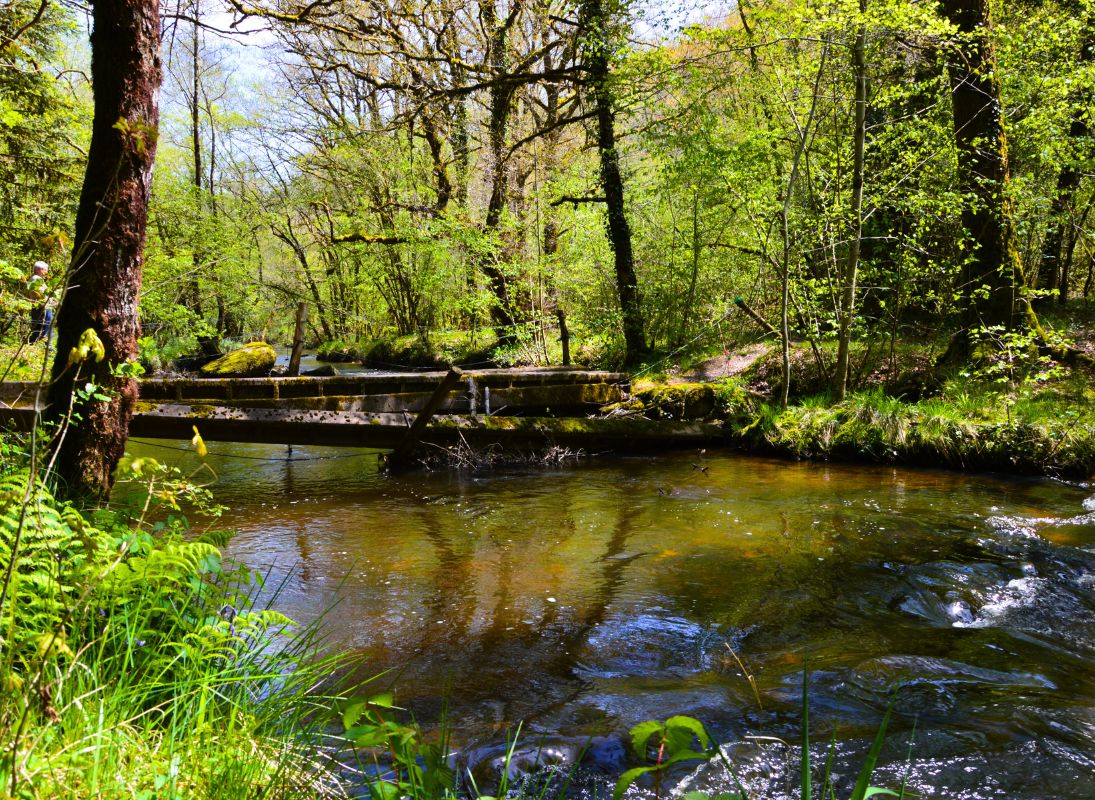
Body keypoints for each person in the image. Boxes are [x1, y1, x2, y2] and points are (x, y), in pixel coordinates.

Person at [27, 260, 55, 343]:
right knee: (44, 327)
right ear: (40, 269)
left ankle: (33, 344)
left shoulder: (36, 279)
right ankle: (46, 345)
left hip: (38, 306)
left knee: (37, 328)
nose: (47, 271)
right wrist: (50, 301)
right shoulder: (36, 279)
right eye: (45, 269)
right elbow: (40, 294)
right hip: (42, 307)